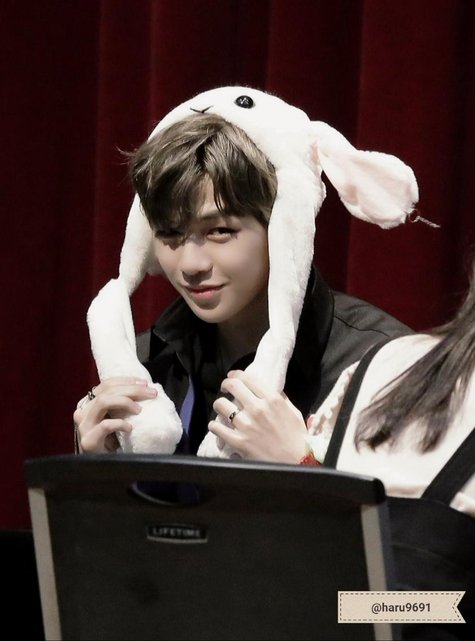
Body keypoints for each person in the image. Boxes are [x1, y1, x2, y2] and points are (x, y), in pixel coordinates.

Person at [74, 86, 417, 457]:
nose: (190, 265)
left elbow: (413, 498)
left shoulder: (381, 364)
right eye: (169, 234)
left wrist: (300, 462)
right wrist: (92, 472)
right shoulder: (147, 364)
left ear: (284, 228)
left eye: (220, 231)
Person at [213, 248, 475, 639]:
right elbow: (384, 604)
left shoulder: (385, 355)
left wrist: (302, 467)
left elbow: (353, 602)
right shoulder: (389, 359)